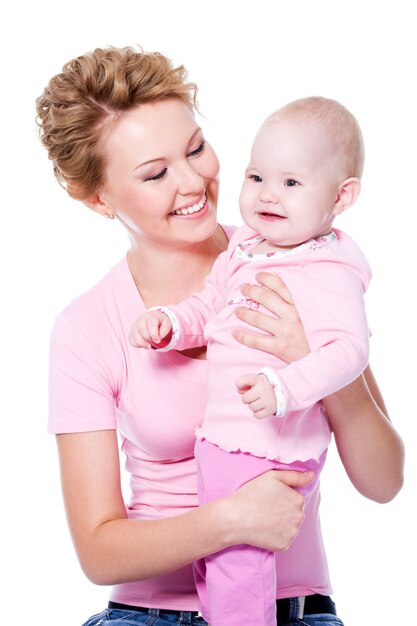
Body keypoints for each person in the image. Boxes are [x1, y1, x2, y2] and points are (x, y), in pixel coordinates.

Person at [36, 46, 404, 626]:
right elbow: (97, 551)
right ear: (99, 198)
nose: (194, 181)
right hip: (148, 615)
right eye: (156, 174)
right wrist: (234, 520)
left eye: (196, 149)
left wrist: (315, 362)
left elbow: (384, 481)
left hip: (294, 608)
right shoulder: (87, 328)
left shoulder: (294, 262)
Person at [129, 97, 371, 626]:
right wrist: (173, 322)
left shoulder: (327, 267)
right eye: (257, 176)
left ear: (341, 195)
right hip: (222, 440)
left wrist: (287, 387)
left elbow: (348, 351)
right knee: (218, 568)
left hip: (269, 448)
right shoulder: (245, 251)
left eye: (291, 183)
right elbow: (209, 307)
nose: (267, 195)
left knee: (242, 571)